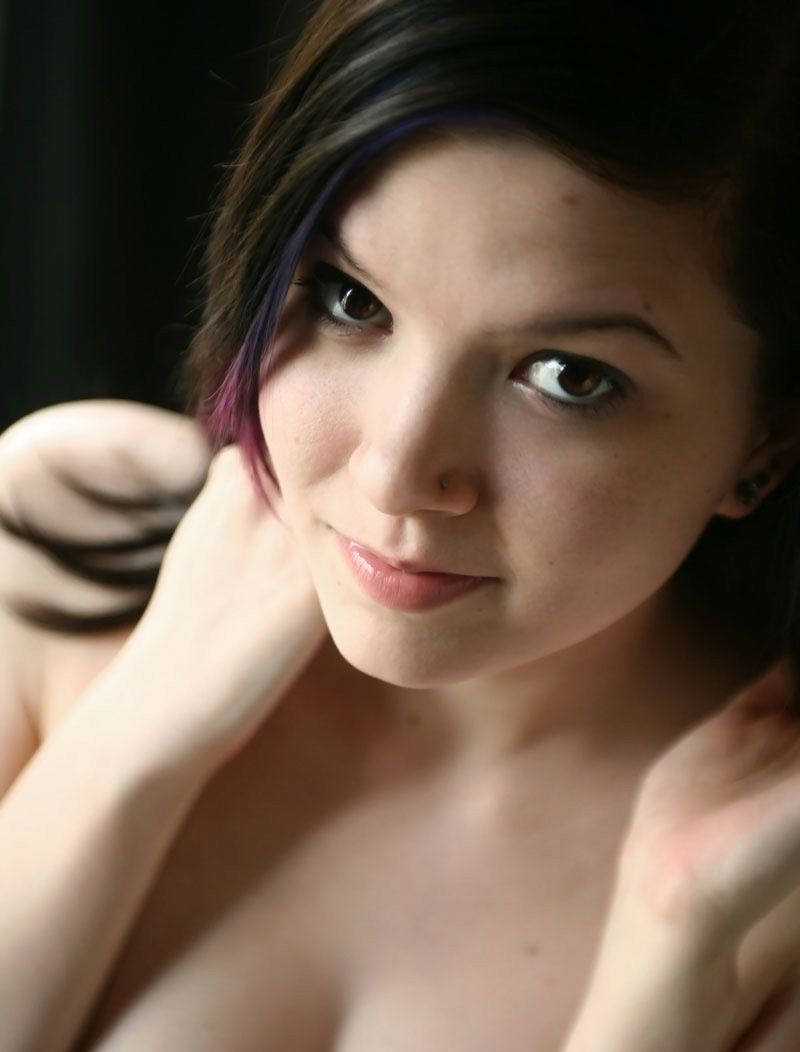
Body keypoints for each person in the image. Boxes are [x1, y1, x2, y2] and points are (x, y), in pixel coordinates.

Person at [3, 0, 800, 1048]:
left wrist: (672, 950)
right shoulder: (63, 531)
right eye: (349, 300)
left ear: (762, 442)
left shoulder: (759, 866)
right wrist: (128, 743)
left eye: (567, 377)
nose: (396, 469)